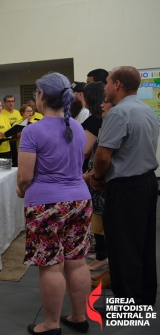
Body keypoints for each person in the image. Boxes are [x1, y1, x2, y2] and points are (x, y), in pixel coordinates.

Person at [17, 72, 92, 335]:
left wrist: (20, 189)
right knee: (78, 261)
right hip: (80, 200)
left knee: (50, 265)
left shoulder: (32, 130)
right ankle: (79, 317)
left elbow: (25, 176)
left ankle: (50, 324)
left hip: (46, 205)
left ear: (41, 97)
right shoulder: (79, 128)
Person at [91, 66, 159, 306]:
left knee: (122, 246)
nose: (105, 87)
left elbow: (102, 156)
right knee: (143, 242)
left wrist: (97, 178)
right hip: (147, 183)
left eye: (107, 82)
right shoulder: (147, 110)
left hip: (126, 187)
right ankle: (144, 297)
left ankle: (127, 303)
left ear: (117, 85)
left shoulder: (118, 114)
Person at [84, 95, 113, 288]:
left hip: (108, 183)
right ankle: (111, 272)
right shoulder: (106, 123)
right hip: (101, 181)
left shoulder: (115, 120)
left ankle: (113, 272)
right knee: (103, 223)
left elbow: (103, 157)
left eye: (106, 102)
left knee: (111, 229)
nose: (102, 105)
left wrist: (94, 176)